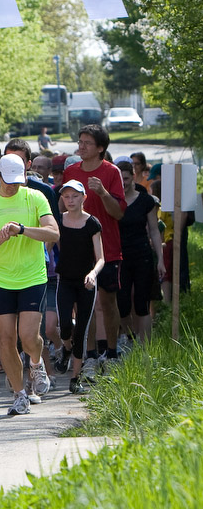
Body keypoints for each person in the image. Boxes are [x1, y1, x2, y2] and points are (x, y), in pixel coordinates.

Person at [0, 154, 58, 415]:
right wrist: (1, 237)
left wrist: (23, 229)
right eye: (8, 181)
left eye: (17, 182)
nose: (12, 187)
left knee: (29, 337)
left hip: (32, 276)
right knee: (6, 339)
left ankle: (35, 362)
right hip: (0, 280)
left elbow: (53, 233)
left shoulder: (35, 197)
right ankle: (19, 394)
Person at [63, 125, 125, 370]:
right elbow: (63, 209)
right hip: (77, 250)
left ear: (100, 148)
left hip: (107, 248)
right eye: (80, 141)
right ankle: (86, 356)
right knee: (82, 305)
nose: (81, 146)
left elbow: (119, 213)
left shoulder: (111, 172)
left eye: (87, 142)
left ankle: (111, 353)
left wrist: (103, 193)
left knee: (108, 302)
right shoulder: (70, 171)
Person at [55, 180, 104, 393]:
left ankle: (76, 378)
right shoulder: (58, 220)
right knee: (65, 323)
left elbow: (101, 258)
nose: (70, 200)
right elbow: (50, 245)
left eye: (75, 196)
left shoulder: (92, 223)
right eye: (66, 196)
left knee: (82, 329)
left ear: (84, 198)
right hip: (65, 279)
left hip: (85, 282)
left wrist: (93, 274)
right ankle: (65, 349)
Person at [116, 161, 165, 341]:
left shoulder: (145, 201)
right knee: (122, 303)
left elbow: (154, 230)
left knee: (142, 302)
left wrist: (160, 259)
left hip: (142, 254)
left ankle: (145, 347)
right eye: (120, 179)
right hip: (120, 256)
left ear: (133, 177)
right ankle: (128, 338)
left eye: (127, 178)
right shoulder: (113, 201)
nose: (123, 183)